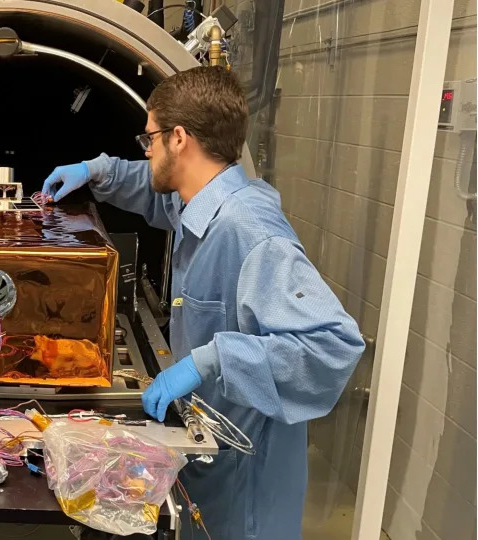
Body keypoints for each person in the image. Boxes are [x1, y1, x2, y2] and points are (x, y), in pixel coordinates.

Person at [42, 66, 365, 539]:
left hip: (247, 482)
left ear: (178, 138)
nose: (146, 149)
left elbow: (332, 347)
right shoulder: (201, 203)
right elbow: (152, 191)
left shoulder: (249, 232)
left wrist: (210, 360)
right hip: (211, 456)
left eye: (149, 138)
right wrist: (96, 170)